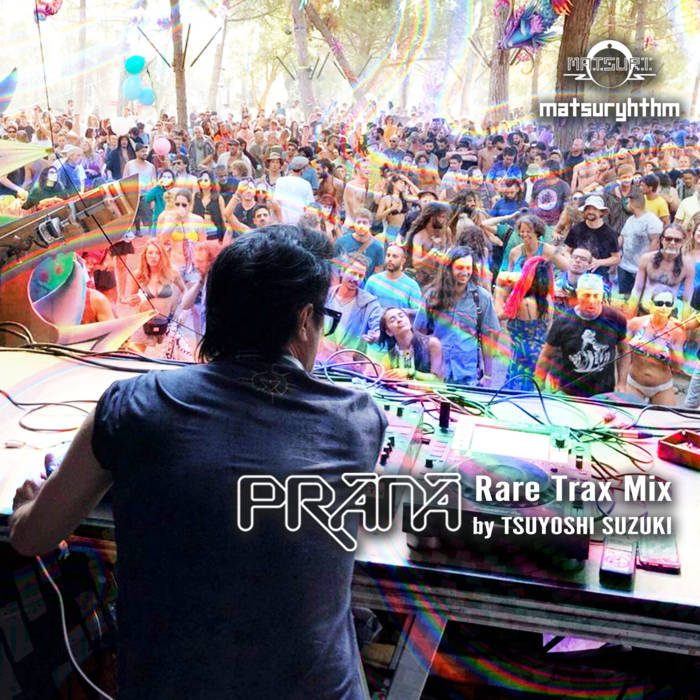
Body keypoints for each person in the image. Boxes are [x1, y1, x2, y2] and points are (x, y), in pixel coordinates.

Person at [10, 225, 386, 699]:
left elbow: (31, 538)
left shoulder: (132, 405)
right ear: (306, 320)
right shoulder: (359, 420)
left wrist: (29, 505)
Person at [415, 246, 501, 386]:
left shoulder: (481, 298)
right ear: (449, 268)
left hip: (467, 373)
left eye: (468, 268)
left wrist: (488, 375)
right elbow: (419, 332)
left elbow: (487, 339)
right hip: (436, 372)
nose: (465, 272)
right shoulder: (433, 295)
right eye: (460, 268)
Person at [535, 273, 627, 397]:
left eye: (596, 295)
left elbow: (624, 350)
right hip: (569, 393)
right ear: (578, 294)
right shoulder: (563, 321)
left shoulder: (615, 319)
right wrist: (538, 386)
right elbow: (547, 355)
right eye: (586, 295)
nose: (591, 301)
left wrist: (622, 383)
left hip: (603, 393)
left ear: (601, 296)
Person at [618, 285, 686, 405]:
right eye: (659, 303)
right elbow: (623, 352)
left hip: (662, 387)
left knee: (665, 417)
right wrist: (621, 382)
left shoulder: (676, 331)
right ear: (651, 305)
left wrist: (672, 348)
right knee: (629, 414)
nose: (664, 307)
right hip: (634, 383)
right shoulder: (636, 323)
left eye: (668, 304)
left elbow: (678, 367)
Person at [497, 256, 553, 391]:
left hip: (521, 356)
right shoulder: (548, 300)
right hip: (539, 355)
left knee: (516, 393)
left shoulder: (523, 303)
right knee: (533, 392)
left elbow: (498, 316)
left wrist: (499, 290)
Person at [627, 224, 694, 317]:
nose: (672, 243)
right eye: (668, 239)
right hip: (644, 312)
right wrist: (630, 317)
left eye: (677, 240)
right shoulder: (647, 259)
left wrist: (684, 324)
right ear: (662, 239)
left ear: (683, 242)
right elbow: (637, 289)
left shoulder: (687, 265)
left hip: (669, 314)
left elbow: (687, 299)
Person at [325, 254, 382, 351]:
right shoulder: (326, 296)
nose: (356, 279)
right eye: (353, 273)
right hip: (321, 356)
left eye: (360, 276)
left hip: (349, 359)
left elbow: (377, 327)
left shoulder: (370, 303)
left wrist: (376, 335)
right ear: (342, 271)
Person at [564, 194, 621, 287]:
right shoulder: (576, 229)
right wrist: (572, 261)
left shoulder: (610, 234)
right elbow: (566, 251)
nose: (590, 212)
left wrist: (599, 262)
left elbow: (616, 258)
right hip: (576, 277)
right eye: (588, 209)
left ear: (601, 212)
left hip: (599, 279)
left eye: (594, 209)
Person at [375, 307, 443, 381]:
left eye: (401, 316)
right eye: (392, 320)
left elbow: (438, 380)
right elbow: (381, 379)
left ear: (409, 322)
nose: (399, 320)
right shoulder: (389, 357)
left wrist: (409, 373)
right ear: (389, 332)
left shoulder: (432, 344)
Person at [617, 190, 663, 297]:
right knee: (624, 299)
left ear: (632, 203)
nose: (627, 205)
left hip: (640, 269)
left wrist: (648, 265)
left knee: (640, 298)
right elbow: (622, 237)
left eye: (628, 202)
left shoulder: (652, 220)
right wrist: (613, 251)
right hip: (625, 267)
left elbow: (655, 242)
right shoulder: (630, 219)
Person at [364, 244, 422, 315]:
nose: (390, 259)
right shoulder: (373, 281)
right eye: (388, 255)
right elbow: (364, 305)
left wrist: (401, 312)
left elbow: (418, 312)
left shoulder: (412, 286)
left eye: (395, 256)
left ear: (403, 261)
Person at [335, 208, 384, 283]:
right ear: (354, 224)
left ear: (370, 225)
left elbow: (378, 272)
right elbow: (334, 266)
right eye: (358, 222)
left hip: (363, 286)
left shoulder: (378, 247)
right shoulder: (342, 241)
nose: (361, 225)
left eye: (364, 222)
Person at [273, 155, 315, 225]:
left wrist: (280, 221)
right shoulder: (306, 184)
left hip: (283, 223)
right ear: (303, 169)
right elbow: (310, 206)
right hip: (298, 224)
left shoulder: (280, 180)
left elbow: (275, 203)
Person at [553, 246, 592, 312]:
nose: (577, 260)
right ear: (569, 260)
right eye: (575, 257)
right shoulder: (555, 285)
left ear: (589, 266)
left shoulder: (594, 288)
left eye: (583, 259)